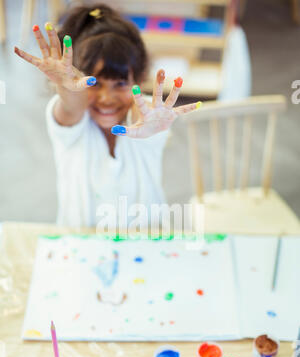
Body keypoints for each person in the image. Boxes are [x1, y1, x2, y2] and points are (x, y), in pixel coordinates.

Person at [14, 4, 200, 229]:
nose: (106, 97)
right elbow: (71, 106)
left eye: (120, 84)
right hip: (80, 243)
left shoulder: (150, 122)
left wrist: (153, 117)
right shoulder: (72, 125)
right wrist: (67, 89)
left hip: (146, 240)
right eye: (93, 83)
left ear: (138, 80)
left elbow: (141, 114)